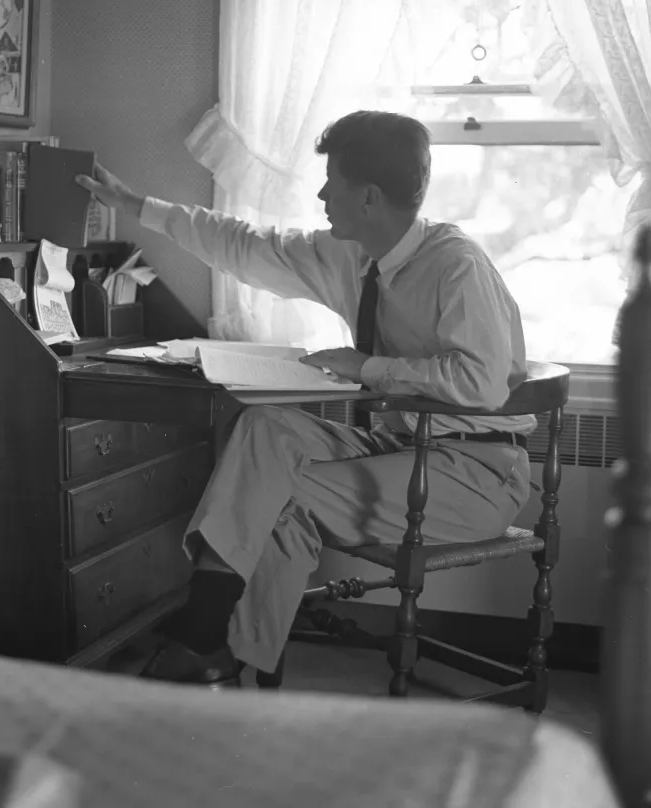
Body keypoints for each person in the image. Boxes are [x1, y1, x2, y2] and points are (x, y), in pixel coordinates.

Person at [76, 110, 534, 686]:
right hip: (406, 449)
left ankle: (206, 637)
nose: (321, 192)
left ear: (367, 197)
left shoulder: (456, 266)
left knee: (278, 492)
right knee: (266, 430)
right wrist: (138, 206)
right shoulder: (353, 256)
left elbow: (484, 383)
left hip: (477, 473)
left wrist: (368, 367)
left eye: (331, 181)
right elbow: (246, 245)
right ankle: (218, 646)